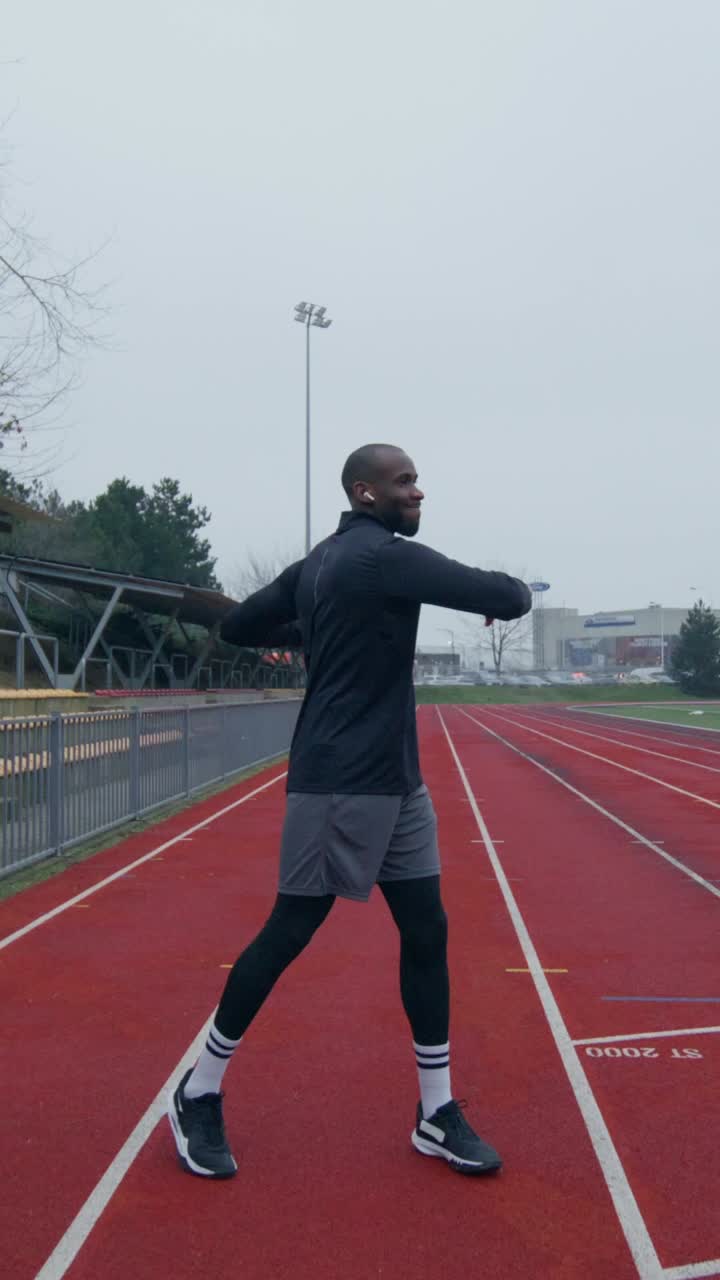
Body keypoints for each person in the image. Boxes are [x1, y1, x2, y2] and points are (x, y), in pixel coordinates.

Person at [168, 443, 531, 1179]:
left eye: (417, 481)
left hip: (396, 779)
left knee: (427, 929)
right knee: (291, 930)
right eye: (404, 483)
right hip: (338, 779)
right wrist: (506, 598)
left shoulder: (318, 566)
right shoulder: (380, 557)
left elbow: (239, 626)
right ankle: (197, 1090)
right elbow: (505, 591)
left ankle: (436, 1112)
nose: (418, 492)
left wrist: (312, 630)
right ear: (365, 493)